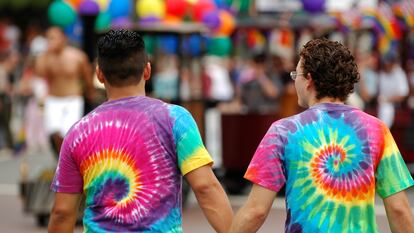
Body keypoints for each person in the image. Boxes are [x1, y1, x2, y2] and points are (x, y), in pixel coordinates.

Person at [48, 29, 233, 232]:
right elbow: (206, 187)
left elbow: (62, 213)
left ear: (99, 74)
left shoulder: (77, 133)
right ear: (147, 71)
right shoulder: (175, 119)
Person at [229, 38, 414, 233]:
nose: (295, 81)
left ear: (308, 79)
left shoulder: (283, 132)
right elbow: (399, 209)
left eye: (296, 74)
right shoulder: (377, 130)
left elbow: (256, 211)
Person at [35, 26, 95, 157]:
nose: (50, 41)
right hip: (53, 99)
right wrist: (46, 55)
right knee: (55, 133)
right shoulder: (45, 58)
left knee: (69, 133)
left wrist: (90, 92)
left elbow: (87, 76)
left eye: (53, 38)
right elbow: (39, 73)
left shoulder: (77, 57)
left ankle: (70, 160)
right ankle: (62, 160)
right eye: (48, 38)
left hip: (73, 99)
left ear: (63, 38)